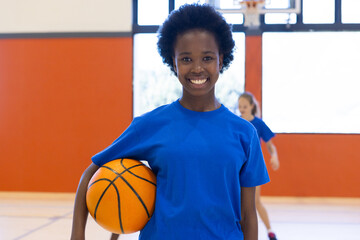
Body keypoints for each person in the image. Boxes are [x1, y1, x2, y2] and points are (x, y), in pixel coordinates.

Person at [70, 4, 270, 240]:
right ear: (173, 62)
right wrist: (77, 235)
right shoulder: (150, 125)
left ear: (221, 60)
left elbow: (248, 215)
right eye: (186, 59)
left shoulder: (244, 133)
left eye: (207, 58)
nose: (197, 68)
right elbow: (91, 173)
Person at [238, 92, 280, 240]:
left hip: (252, 167)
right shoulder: (236, 122)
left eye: (244, 106)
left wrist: (274, 156)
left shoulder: (259, 124)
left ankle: (270, 230)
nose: (242, 109)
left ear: (251, 106)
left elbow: (270, 146)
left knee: (254, 202)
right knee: (236, 201)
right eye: (239, 106)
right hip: (237, 167)